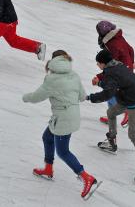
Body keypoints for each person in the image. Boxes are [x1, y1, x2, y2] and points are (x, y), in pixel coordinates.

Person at [22, 50, 99, 199]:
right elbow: (82, 97)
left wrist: (25, 97)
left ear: (53, 61)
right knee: (47, 137)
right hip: (70, 116)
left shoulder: (52, 79)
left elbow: (37, 97)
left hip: (63, 119)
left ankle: (86, 177)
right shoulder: (74, 75)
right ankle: (48, 169)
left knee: (63, 152)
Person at [86, 49, 135, 185]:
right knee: (111, 113)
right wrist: (99, 83)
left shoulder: (112, 72)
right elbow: (112, 84)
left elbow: (108, 94)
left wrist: (89, 97)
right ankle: (112, 141)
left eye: (98, 63)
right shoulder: (117, 65)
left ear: (103, 63)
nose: (97, 66)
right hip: (127, 97)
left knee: (133, 134)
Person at [94, 20, 134, 127]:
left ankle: (126, 111)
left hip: (120, 71)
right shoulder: (118, 37)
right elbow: (131, 50)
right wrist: (131, 64)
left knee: (110, 91)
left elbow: (111, 66)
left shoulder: (112, 44)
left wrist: (99, 77)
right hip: (126, 69)